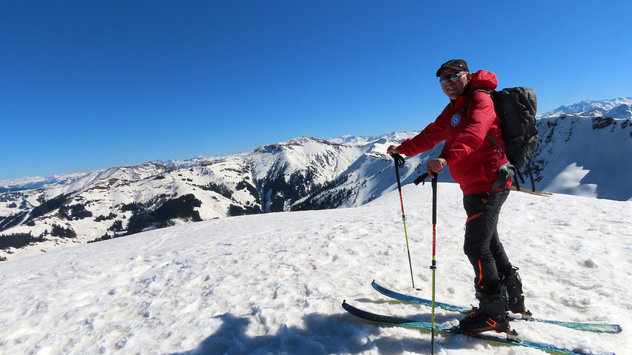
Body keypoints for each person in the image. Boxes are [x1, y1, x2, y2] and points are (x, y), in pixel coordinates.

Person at [387, 59, 526, 334]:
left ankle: (492, 313)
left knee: (476, 247)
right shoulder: (455, 107)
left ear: (467, 76)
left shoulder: (480, 100)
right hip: (475, 186)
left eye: (454, 76)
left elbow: (475, 133)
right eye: (443, 80)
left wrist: (445, 158)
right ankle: (513, 300)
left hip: (489, 183)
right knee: (489, 243)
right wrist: (402, 149)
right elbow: (431, 134)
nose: (448, 83)